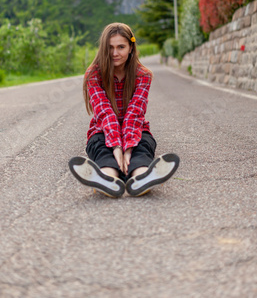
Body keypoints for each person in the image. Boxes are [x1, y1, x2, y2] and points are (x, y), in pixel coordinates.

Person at [68, 22, 180, 197]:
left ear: (131, 47)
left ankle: (142, 177)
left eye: (121, 47)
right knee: (102, 150)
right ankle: (107, 179)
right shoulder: (93, 74)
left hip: (136, 129)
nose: (114, 53)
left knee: (141, 148)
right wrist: (116, 147)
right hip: (103, 130)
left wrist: (127, 148)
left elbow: (135, 114)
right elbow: (105, 112)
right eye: (110, 48)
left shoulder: (143, 75)